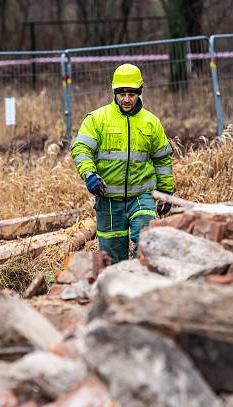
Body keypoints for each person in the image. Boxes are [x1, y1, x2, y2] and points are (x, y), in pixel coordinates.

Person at [71, 63, 175, 263]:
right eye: (122, 94)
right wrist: (89, 174)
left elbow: (162, 158)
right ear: (114, 92)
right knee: (112, 258)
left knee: (147, 243)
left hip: (141, 197)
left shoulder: (151, 122)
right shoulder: (97, 119)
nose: (127, 99)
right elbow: (81, 149)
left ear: (140, 92)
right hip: (108, 198)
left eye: (132, 94)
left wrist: (166, 192)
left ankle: (142, 283)